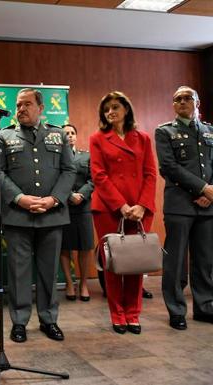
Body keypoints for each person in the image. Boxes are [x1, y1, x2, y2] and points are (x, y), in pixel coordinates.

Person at [0, 88, 75, 343]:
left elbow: (69, 170)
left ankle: (49, 319)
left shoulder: (58, 134)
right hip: (18, 215)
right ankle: (19, 321)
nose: (21, 109)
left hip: (51, 214)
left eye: (27, 104)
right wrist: (20, 198)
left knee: (48, 270)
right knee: (18, 272)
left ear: (41, 108)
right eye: (18, 105)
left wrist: (53, 199)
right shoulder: (4, 135)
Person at [90, 91, 156, 334]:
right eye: (106, 109)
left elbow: (150, 174)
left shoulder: (143, 138)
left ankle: (133, 314)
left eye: (115, 107)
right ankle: (117, 314)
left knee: (136, 263)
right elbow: (99, 175)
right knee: (114, 263)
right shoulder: (97, 138)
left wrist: (141, 206)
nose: (111, 112)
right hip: (109, 209)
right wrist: (121, 206)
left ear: (126, 109)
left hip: (140, 210)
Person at [156, 86, 213, 330]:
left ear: (197, 103)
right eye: (177, 99)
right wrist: (202, 188)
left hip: (208, 205)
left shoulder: (210, 131)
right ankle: (177, 310)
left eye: (187, 98)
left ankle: (204, 307)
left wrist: (210, 193)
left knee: (205, 260)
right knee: (176, 262)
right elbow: (169, 167)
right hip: (179, 205)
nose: (182, 102)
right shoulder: (165, 131)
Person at [59, 124, 94, 302]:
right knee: (65, 247)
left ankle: (84, 284)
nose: (70, 136)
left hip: (83, 206)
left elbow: (93, 179)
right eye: (66, 133)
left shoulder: (86, 155)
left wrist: (82, 194)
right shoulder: (56, 156)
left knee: (85, 246)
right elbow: (54, 179)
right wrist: (69, 195)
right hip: (64, 206)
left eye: (73, 133)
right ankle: (69, 283)